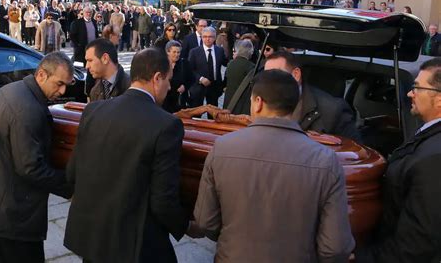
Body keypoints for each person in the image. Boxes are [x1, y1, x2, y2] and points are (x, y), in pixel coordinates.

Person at [189, 69, 354, 262]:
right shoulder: (326, 160)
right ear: (295, 105)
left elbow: (205, 223)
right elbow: (334, 247)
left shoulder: (222, 148)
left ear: (258, 103)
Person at [64, 48, 189, 262]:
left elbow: (72, 172)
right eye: (168, 80)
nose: (169, 86)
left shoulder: (93, 111)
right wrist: (187, 226)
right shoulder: (166, 125)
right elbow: (162, 201)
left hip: (92, 239)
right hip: (132, 246)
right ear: (157, 78)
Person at [0, 52, 74, 263]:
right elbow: (31, 168)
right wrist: (70, 187)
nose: (62, 91)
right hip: (10, 216)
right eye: (59, 83)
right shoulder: (28, 110)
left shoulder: (12, 90)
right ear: (41, 75)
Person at [355, 58, 441, 263]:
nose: (411, 93)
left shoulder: (435, 158)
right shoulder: (429, 137)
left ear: (439, 100)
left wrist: (362, 258)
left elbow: (416, 243)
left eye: (417, 88)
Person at [264, 50, 361, 141]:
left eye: (276, 75)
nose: (269, 83)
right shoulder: (260, 102)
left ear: (296, 75)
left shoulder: (333, 110)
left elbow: (355, 153)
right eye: (265, 77)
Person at [188, 26, 226, 107]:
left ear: (215, 38)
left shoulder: (219, 50)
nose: (207, 39)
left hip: (214, 87)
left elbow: (227, 63)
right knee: (196, 114)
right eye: (205, 37)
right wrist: (200, 79)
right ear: (201, 37)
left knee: (213, 114)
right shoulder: (194, 52)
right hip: (198, 87)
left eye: (210, 37)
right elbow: (190, 70)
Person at [162, 40, 194, 112]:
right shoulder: (161, 65)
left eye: (178, 52)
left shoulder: (184, 63)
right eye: (174, 52)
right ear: (168, 52)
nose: (177, 54)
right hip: (165, 100)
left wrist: (185, 86)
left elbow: (192, 79)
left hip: (180, 101)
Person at [223, 39, 255, 109]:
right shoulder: (251, 67)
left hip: (228, 102)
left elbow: (225, 82)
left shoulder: (230, 64)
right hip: (243, 104)